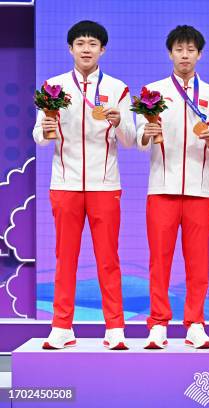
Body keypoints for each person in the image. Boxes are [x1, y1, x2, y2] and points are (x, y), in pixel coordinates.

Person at [33, 20, 136, 350]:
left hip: (105, 185)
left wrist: (120, 123)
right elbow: (39, 137)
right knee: (66, 256)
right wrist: (47, 128)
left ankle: (115, 327)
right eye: (81, 43)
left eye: (93, 43)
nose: (87, 48)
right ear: (70, 49)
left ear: (102, 49)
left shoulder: (118, 89)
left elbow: (132, 140)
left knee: (108, 258)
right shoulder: (53, 87)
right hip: (64, 183)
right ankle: (62, 326)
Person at [136, 25, 209, 349]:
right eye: (179, 49)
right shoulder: (152, 93)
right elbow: (140, 142)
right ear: (170, 53)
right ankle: (158, 323)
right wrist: (147, 131)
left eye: (190, 50)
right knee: (160, 260)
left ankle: (195, 323)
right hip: (161, 188)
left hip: (200, 190)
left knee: (198, 261)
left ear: (199, 54)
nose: (185, 55)